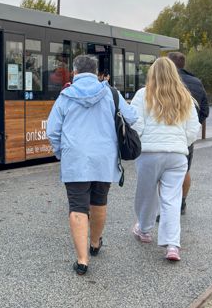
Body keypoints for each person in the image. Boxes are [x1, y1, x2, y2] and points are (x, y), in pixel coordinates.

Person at [47, 55, 137, 275]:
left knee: (78, 206)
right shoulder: (111, 93)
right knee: (99, 202)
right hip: (104, 159)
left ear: (75, 72)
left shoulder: (65, 96)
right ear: (96, 72)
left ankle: (82, 260)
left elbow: (52, 131)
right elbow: (132, 117)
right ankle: (95, 244)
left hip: (75, 160)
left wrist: (61, 153)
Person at [129, 57, 200, 262]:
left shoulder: (143, 95)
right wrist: (180, 144)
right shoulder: (184, 97)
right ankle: (172, 245)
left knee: (146, 194)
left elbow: (136, 125)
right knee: (172, 199)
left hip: (149, 153)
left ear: (152, 73)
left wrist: (142, 142)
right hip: (177, 156)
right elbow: (192, 130)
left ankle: (144, 230)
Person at [167, 51, 209, 215]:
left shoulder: (164, 80)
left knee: (164, 173)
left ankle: (165, 205)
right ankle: (182, 203)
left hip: (165, 134)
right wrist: (195, 123)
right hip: (186, 136)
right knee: (184, 169)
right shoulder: (196, 82)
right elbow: (205, 109)